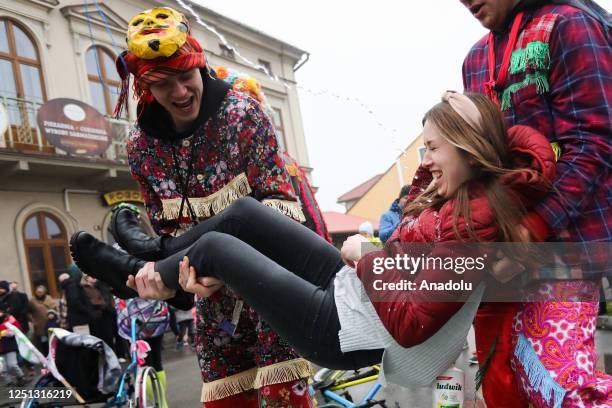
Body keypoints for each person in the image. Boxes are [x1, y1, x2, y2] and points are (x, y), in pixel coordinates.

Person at [70, 92, 555, 377]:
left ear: (469, 150)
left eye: (431, 148)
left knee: (218, 247)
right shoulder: (458, 192)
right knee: (242, 212)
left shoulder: (477, 227)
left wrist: (367, 255)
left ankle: (139, 273)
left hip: (343, 330)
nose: (423, 160)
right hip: (352, 294)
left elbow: (411, 327)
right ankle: (157, 253)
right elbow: (418, 197)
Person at [107, 7, 318, 406]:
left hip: (272, 280)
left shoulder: (242, 113)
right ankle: (143, 269)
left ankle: (140, 266)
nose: (181, 92)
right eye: (164, 83)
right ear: (145, 86)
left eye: (186, 77)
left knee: (283, 398)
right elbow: (170, 232)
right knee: (226, 400)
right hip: (210, 296)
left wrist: (231, 263)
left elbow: (281, 206)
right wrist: (186, 277)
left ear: (200, 68)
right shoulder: (141, 147)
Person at [457, 0, 611, 406]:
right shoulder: (475, 59)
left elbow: (595, 143)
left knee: (561, 385)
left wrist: (530, 231)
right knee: (513, 384)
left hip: (563, 250)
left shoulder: (571, 23)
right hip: (501, 256)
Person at [0, 303, 25, 386]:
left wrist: (9, 332)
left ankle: (20, 377)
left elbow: (17, 329)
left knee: (12, 364)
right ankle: (9, 382)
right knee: (3, 368)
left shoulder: (9, 319)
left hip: (10, 345)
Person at [29, 285, 58, 356]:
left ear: (44, 292)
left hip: (50, 324)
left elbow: (55, 310)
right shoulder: (32, 301)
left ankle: (54, 356)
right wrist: (33, 321)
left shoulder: (49, 298)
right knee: (44, 343)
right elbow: (28, 312)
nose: (39, 293)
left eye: (41, 292)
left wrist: (53, 316)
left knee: (52, 342)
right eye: (38, 292)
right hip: (40, 326)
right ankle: (46, 356)